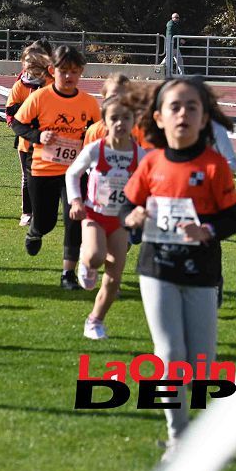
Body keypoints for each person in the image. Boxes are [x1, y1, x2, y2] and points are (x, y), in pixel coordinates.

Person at [122, 77, 236, 458]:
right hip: (157, 267)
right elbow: (127, 207)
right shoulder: (151, 162)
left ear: (204, 117)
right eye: (175, 106)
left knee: (202, 364)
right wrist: (135, 214)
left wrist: (204, 229)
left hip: (202, 271)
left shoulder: (214, 165)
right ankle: (180, 438)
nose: (183, 114)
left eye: (192, 107)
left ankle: (198, 428)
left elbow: (232, 220)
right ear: (159, 116)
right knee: (170, 354)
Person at [12, 45, 101, 290]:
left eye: (74, 71)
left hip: (75, 171)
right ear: (53, 70)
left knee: (75, 219)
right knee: (47, 221)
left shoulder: (89, 103)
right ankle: (35, 230)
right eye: (63, 71)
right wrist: (38, 136)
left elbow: (99, 132)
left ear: (81, 72)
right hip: (42, 170)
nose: (69, 76)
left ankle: (67, 275)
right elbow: (18, 124)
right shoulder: (40, 97)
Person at [66, 94, 146, 339]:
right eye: (114, 118)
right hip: (94, 213)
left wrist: (142, 208)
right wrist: (76, 201)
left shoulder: (139, 153)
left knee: (114, 276)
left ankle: (95, 321)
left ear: (134, 121)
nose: (120, 123)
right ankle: (86, 262)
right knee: (95, 257)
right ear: (105, 121)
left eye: (126, 118)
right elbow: (72, 174)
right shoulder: (95, 149)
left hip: (120, 220)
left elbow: (149, 182)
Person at [5, 46, 53, 227]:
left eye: (37, 61)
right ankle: (27, 212)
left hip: (49, 139)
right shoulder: (20, 85)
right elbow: (10, 112)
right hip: (26, 140)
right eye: (29, 61)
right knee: (27, 176)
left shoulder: (52, 83)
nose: (33, 65)